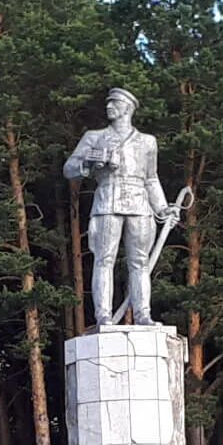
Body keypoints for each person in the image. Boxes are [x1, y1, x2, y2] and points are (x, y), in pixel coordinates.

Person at [64, 87, 179, 325]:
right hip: (107, 201)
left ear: (127, 108)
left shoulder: (148, 142)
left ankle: (142, 315)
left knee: (140, 262)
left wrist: (162, 209)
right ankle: (103, 316)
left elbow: (151, 178)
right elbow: (69, 168)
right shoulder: (94, 137)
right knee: (104, 259)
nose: (109, 107)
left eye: (114, 103)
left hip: (139, 204)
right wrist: (90, 163)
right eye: (108, 103)